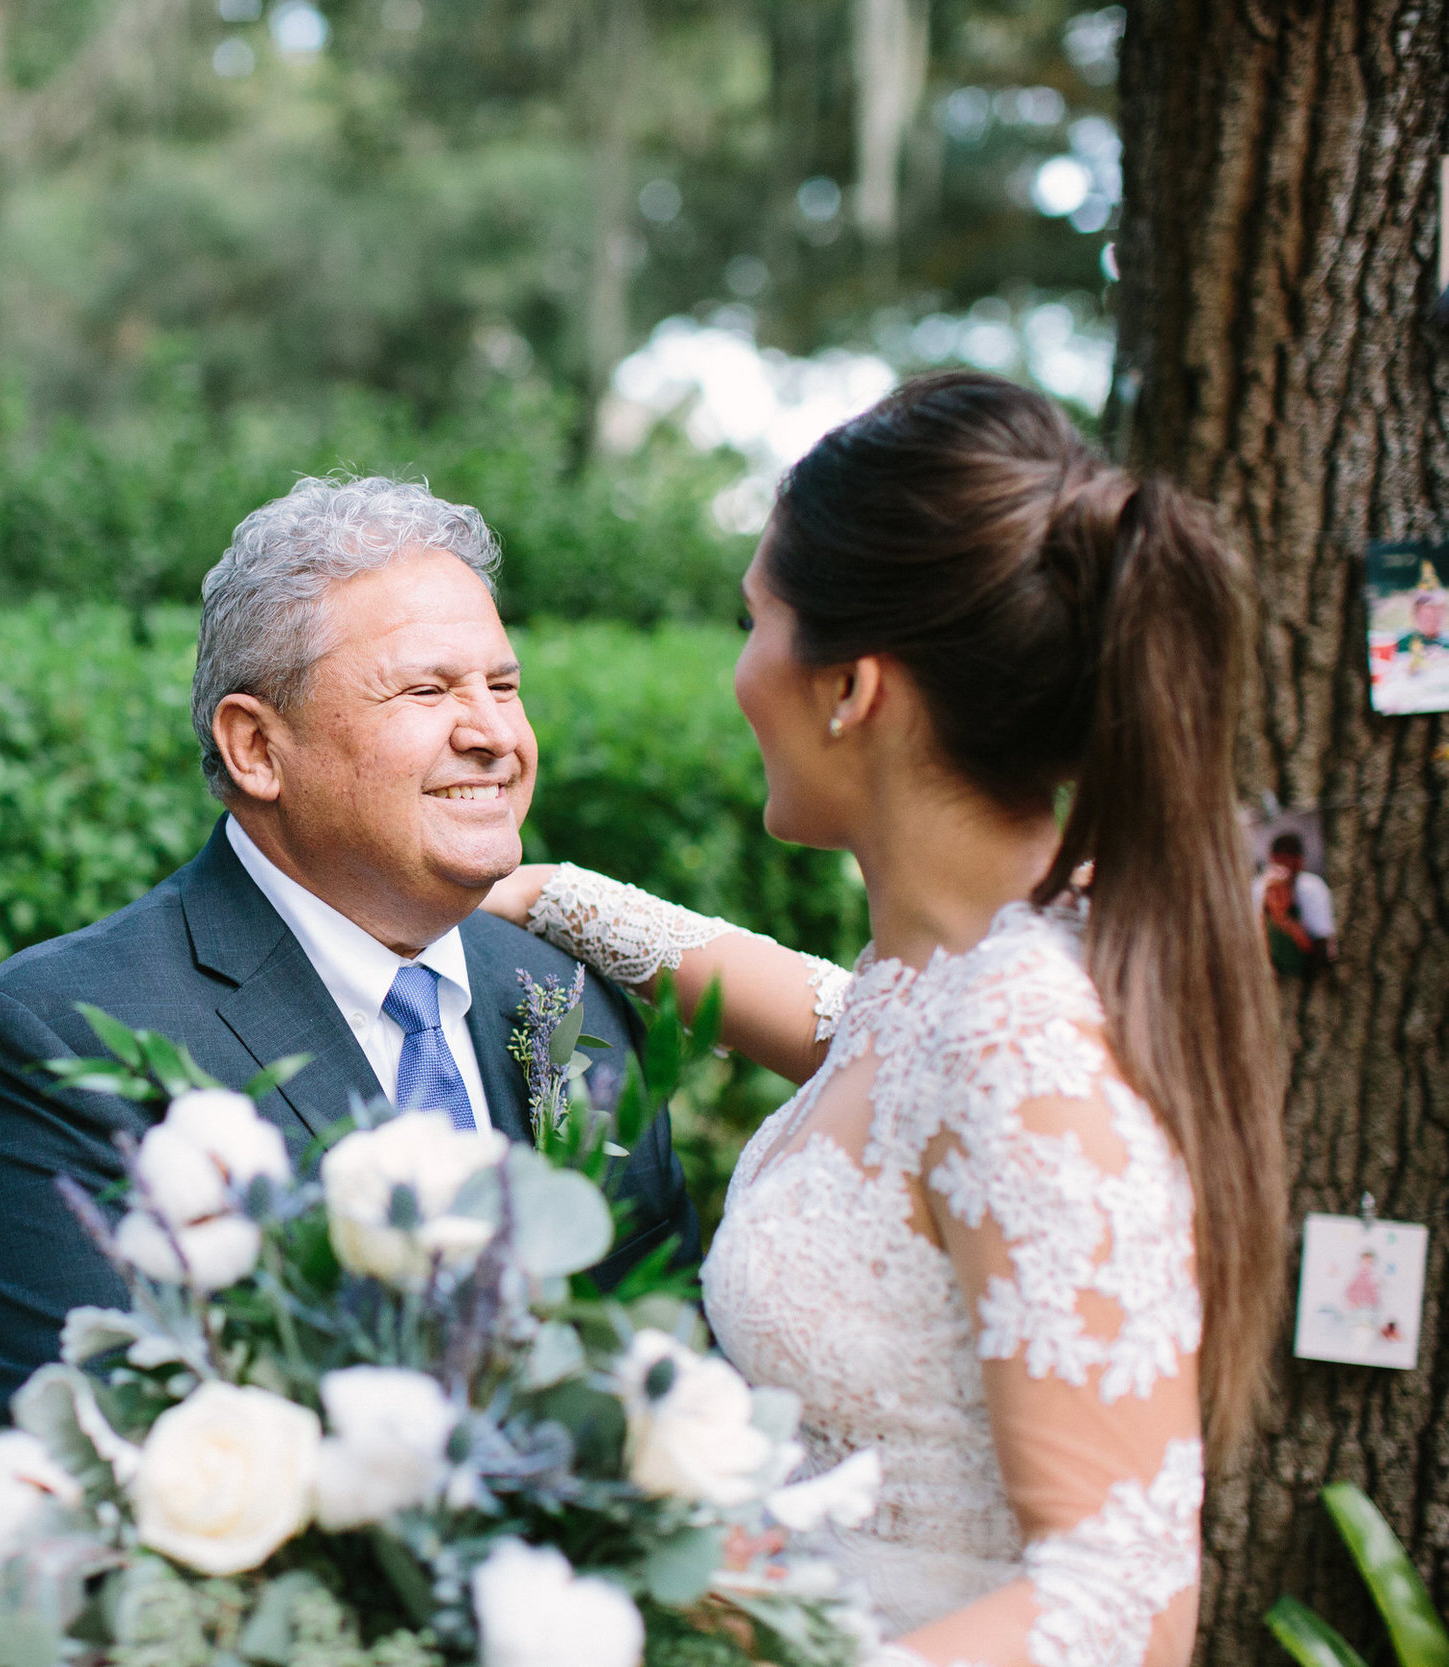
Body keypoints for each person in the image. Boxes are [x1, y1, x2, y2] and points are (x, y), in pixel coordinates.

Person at [482, 373, 1286, 1667]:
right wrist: (549, 894)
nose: (740, 670)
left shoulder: (1025, 1044)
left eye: (755, 620)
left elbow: (1126, 1600)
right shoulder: (954, 982)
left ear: (852, 686)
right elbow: (847, 1030)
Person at [0, 477, 701, 1667]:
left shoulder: (569, 1004)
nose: (493, 731)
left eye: (502, 683)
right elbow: (137, 1511)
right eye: (426, 690)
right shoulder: (49, 1038)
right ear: (255, 746)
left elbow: (669, 1379)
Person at [1252, 832, 1334, 973]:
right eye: (1282, 857)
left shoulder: (1312, 887)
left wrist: (1285, 922)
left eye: (1292, 856)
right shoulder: (1258, 888)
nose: (1287, 862)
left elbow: (1318, 944)